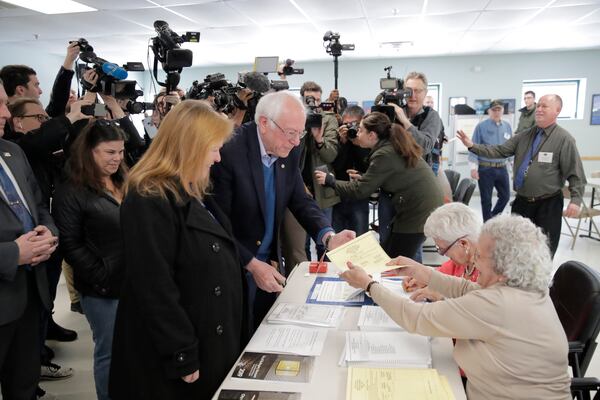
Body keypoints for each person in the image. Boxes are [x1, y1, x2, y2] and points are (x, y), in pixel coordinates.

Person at [340, 214, 571, 400]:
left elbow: (416, 317)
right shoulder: (527, 291)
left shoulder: (496, 304)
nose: (475, 262)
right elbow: (467, 290)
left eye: (479, 256)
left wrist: (369, 285)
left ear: (503, 268)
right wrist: (423, 272)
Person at [109, 100, 244, 400]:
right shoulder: (148, 198)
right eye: (213, 149)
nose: (218, 158)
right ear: (190, 146)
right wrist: (181, 352)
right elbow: (154, 285)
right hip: (172, 355)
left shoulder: (187, 189)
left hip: (207, 336)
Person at [211, 90, 354, 331]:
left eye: (300, 133)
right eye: (290, 133)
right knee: (238, 335)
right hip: (233, 264)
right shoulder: (229, 150)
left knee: (263, 329)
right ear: (264, 123)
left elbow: (299, 199)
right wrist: (251, 263)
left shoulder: (290, 148)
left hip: (269, 264)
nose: (297, 141)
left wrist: (328, 236)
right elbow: (218, 224)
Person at [53, 120, 129, 400]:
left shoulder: (122, 178)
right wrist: (101, 276)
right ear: (89, 151)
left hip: (132, 280)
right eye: (110, 152)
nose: (117, 158)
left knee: (132, 349)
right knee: (109, 352)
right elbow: (70, 244)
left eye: (120, 152)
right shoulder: (71, 190)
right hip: (102, 290)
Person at [457, 94, 585, 257]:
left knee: (544, 250)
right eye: (538, 106)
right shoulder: (525, 135)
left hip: (548, 204)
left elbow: (575, 173)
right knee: (516, 247)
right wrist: (472, 146)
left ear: (557, 110)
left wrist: (575, 200)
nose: (539, 109)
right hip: (522, 202)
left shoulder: (564, 139)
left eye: (544, 106)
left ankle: (541, 281)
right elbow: (500, 151)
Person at [0, 79, 59, 400]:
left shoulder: (13, 152)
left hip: (29, 296)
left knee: (23, 387)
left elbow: (38, 204)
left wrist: (49, 231)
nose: (6, 114)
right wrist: (12, 253)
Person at [315, 112, 443, 259]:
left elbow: (360, 190)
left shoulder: (384, 154)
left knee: (397, 259)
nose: (357, 133)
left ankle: (409, 280)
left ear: (372, 135)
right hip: (420, 205)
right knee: (390, 253)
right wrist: (366, 178)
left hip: (418, 210)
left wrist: (330, 181)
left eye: (361, 130)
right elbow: (394, 175)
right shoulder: (391, 147)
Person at [404, 202, 482, 302]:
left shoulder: (493, 270)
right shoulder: (463, 260)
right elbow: (441, 274)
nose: (444, 255)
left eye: (443, 249)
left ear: (463, 244)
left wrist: (444, 297)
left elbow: (483, 307)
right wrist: (423, 279)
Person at [298, 81, 340, 260]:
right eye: (309, 99)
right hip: (299, 188)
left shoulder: (328, 119)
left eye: (316, 99)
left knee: (326, 241)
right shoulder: (295, 119)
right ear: (302, 99)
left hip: (322, 190)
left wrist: (319, 138)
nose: (313, 103)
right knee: (301, 245)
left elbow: (331, 156)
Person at [468, 99, 512, 221]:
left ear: (503, 110)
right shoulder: (481, 126)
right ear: (489, 111)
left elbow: (510, 147)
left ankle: (492, 219)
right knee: (486, 200)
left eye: (499, 109)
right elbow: (473, 147)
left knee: (505, 197)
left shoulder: (507, 126)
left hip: (502, 168)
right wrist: (473, 168)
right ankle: (487, 225)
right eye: (494, 110)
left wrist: (514, 166)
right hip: (485, 168)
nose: (497, 112)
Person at [330, 105, 371, 236]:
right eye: (346, 124)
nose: (350, 128)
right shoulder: (338, 139)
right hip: (339, 195)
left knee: (360, 238)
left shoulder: (368, 140)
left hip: (359, 195)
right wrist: (343, 142)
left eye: (354, 124)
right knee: (338, 240)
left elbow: (366, 165)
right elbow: (337, 166)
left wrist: (357, 142)